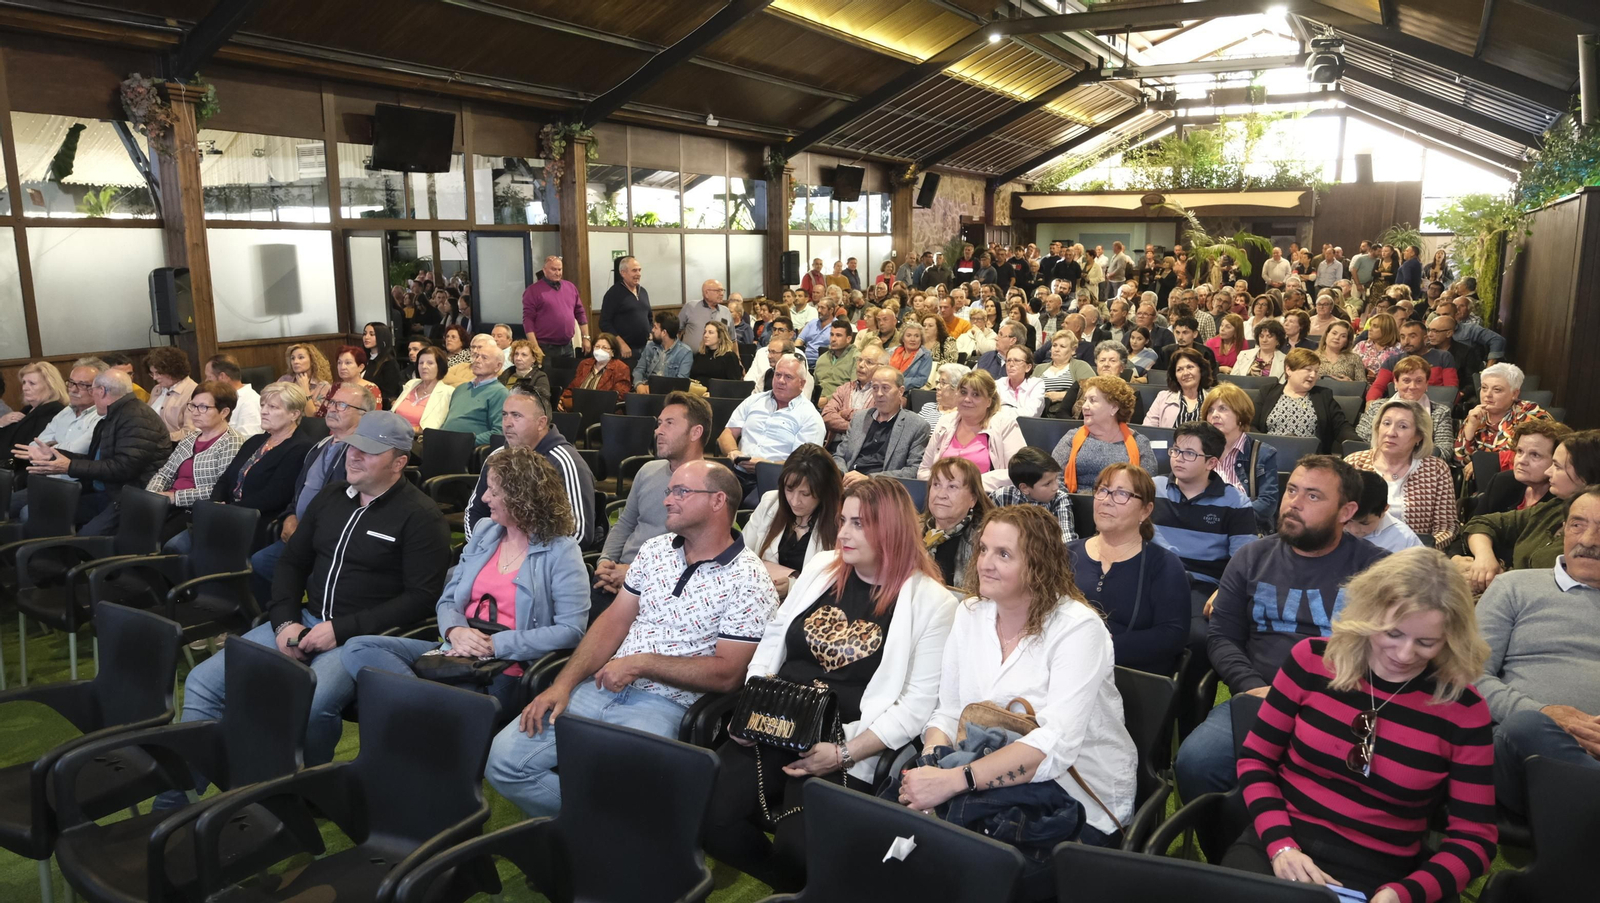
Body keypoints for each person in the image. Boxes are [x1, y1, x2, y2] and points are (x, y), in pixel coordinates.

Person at [487, 461, 778, 817]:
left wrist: (641, 664)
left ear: (718, 501)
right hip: (600, 686)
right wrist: (562, 684)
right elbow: (614, 620)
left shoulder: (749, 579)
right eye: (669, 491)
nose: (668, 500)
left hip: (669, 707)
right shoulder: (656, 551)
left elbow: (728, 673)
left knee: (619, 791)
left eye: (681, 492)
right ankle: (593, 834)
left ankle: (597, 838)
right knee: (503, 761)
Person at [706, 476, 955, 889]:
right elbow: (774, 639)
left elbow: (915, 706)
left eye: (858, 523)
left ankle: (797, 884)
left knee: (799, 852)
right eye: (842, 520)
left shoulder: (931, 601)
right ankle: (788, 886)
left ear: (890, 528)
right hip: (775, 723)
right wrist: (751, 709)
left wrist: (843, 753)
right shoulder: (823, 566)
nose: (842, 533)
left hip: (844, 741)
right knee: (707, 813)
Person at [171, 411, 449, 774]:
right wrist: (284, 619)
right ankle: (185, 792)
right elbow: (292, 563)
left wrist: (340, 630)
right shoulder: (333, 496)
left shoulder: (421, 516)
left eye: (369, 452)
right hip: (303, 619)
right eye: (353, 447)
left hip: (360, 638)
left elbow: (420, 598)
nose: (354, 456)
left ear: (399, 462)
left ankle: (306, 785)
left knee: (313, 704)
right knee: (202, 683)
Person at [1227, 548, 1495, 903]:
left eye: (1426, 643)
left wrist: (1404, 893)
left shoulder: (1463, 709)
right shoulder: (1311, 661)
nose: (1404, 654)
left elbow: (1474, 837)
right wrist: (1281, 846)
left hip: (1386, 871)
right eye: (1393, 633)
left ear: (1451, 638)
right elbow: (1256, 761)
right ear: (1368, 615)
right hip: (1280, 842)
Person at [897, 504, 1137, 850]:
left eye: (1003, 554)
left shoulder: (1078, 629)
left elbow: (1055, 745)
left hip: (1073, 796)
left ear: (1038, 565)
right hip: (979, 775)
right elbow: (949, 712)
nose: (985, 563)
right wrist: (934, 762)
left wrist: (954, 780)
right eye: (983, 549)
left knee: (961, 864)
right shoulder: (971, 613)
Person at [1174, 456, 1388, 803]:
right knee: (1197, 763)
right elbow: (1223, 636)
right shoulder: (1251, 557)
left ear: (1346, 511)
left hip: (1343, 703)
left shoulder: (1376, 569)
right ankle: (1228, 854)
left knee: (1345, 785)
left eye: (1313, 496)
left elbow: (1390, 652)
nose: (1294, 504)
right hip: (1260, 697)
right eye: (1292, 490)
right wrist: (1252, 686)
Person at [341, 448, 589, 712]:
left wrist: (494, 645)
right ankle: (419, 706)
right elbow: (448, 599)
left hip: (507, 665)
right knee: (358, 646)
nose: (484, 497)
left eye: (494, 491)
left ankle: (414, 707)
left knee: (449, 701)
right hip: (456, 648)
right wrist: (455, 631)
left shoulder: (561, 550)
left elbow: (571, 630)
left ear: (522, 498)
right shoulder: (485, 532)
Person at [1477, 485, 1600, 818]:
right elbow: (1468, 676)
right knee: (1526, 727)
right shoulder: (1515, 586)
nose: (1588, 540)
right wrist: (1544, 713)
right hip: (1525, 750)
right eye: (1577, 524)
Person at [246, 383, 369, 606]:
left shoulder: (359, 456)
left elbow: (347, 505)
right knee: (260, 562)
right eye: (331, 402)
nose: (332, 409)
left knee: (284, 568)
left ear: (363, 414)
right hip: (301, 531)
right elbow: (298, 491)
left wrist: (309, 532)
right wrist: (290, 516)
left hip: (329, 539)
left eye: (342, 405)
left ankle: (299, 616)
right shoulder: (320, 445)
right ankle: (276, 616)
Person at [592, 393, 709, 621]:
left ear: (696, 432)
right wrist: (606, 561)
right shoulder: (648, 470)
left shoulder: (710, 485)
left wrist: (634, 574)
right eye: (659, 423)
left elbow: (698, 554)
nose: (658, 431)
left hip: (663, 586)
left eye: (669, 423)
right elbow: (625, 524)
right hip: (617, 573)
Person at [1068, 463, 1190, 676]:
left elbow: (1172, 635)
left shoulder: (1164, 565)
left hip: (1131, 679)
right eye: (1102, 490)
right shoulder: (1066, 554)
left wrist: (1100, 647)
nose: (1106, 500)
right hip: (1064, 668)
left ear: (1146, 510)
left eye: (1121, 494)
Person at [23, 369, 170, 535]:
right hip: (105, 492)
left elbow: (122, 468)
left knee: (86, 537)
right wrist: (53, 455)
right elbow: (93, 459)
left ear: (102, 391)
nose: (92, 396)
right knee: (44, 513)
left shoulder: (137, 417)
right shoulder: (113, 415)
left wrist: (69, 466)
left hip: (129, 497)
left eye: (92, 390)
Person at [1151, 422, 1258, 650]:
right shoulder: (1152, 489)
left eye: (1189, 453)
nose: (1178, 458)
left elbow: (1245, 562)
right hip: (1152, 576)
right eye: (1176, 450)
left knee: (1198, 638)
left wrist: (1225, 592)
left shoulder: (1235, 502)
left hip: (1202, 584)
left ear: (1212, 462)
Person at [178, 382, 315, 553]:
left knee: (188, 549)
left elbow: (274, 496)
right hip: (225, 513)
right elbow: (226, 478)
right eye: (263, 405)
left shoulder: (300, 447)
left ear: (294, 414)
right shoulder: (256, 441)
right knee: (177, 547)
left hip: (255, 519)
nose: (264, 411)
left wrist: (227, 510)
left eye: (272, 407)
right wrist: (215, 504)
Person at [1456, 430, 1600, 592]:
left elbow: (1552, 589)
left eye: (1557, 467)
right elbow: (1481, 522)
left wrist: (1487, 576)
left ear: (1587, 476)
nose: (1548, 472)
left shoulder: (1590, 538)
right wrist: (1484, 559)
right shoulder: (1554, 507)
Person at [464, 387, 594, 547]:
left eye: (516, 416)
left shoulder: (565, 462)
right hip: (493, 552)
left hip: (541, 562)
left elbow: (579, 533)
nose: (507, 423)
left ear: (541, 423)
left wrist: (519, 555)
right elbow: (474, 512)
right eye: (504, 415)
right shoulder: (496, 457)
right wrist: (481, 549)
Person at [1344, 399, 1457, 548]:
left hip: (1413, 557)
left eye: (1402, 426)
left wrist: (1419, 550)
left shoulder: (1436, 470)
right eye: (1386, 423)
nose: (1391, 433)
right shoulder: (1354, 463)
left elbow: (1447, 527)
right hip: (1354, 550)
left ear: (1419, 436)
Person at [145, 380, 244, 541]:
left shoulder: (232, 442)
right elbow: (165, 473)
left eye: (203, 407)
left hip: (196, 510)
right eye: (193, 405)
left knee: (156, 538)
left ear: (224, 412)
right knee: (131, 527)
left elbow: (220, 490)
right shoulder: (190, 438)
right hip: (167, 503)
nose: (195, 412)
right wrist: (152, 496)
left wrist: (174, 497)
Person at [719, 356, 827, 502]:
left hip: (776, 479)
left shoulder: (810, 417)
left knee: (748, 503)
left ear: (802, 384)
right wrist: (733, 452)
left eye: (788, 377)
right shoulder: (754, 401)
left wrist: (764, 466)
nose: (781, 381)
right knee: (706, 495)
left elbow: (803, 464)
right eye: (778, 375)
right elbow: (727, 433)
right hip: (736, 471)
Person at [744, 444, 841, 596]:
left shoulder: (840, 520)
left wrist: (793, 587)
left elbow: (839, 582)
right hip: (760, 597)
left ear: (825, 492)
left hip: (807, 607)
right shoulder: (770, 502)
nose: (795, 501)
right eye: (789, 489)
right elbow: (743, 554)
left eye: (806, 494)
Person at [917, 369, 1025, 493]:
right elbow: (924, 471)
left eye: (976, 395)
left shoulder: (1004, 425)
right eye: (963, 392)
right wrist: (945, 485)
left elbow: (1018, 471)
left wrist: (968, 484)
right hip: (943, 498)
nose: (967, 399)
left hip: (985, 499)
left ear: (989, 401)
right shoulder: (944, 423)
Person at [9, 358, 104, 492]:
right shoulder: (66, 412)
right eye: (71, 383)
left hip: (77, 484)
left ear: (99, 389)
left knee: (25, 511)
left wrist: (50, 448)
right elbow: (34, 446)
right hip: (48, 479)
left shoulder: (101, 415)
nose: (73, 390)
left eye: (82, 385)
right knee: (8, 504)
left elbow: (76, 449)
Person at [1202, 384, 1280, 533]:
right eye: (1210, 410)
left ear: (1241, 415)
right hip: (1204, 528)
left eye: (1223, 409)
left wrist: (1225, 519)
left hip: (1245, 529)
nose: (1215, 415)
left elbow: (1267, 504)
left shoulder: (1263, 453)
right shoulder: (1200, 451)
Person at [1052, 376, 1153, 492]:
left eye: (1092, 400)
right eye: (1085, 400)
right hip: (1073, 504)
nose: (1084, 406)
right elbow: (1054, 478)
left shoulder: (1139, 443)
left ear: (1114, 407)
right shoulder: (1072, 437)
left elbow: (1145, 488)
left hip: (1121, 504)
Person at [1254, 349, 1355, 455]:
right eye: (1308, 369)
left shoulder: (1323, 395)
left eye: (1316, 371)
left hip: (1310, 460)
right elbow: (1251, 424)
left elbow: (1342, 427)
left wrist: (1357, 443)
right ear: (1289, 370)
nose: (1313, 375)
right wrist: (1262, 446)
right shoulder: (1267, 392)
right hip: (1270, 455)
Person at [1453, 362, 1551, 471]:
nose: (1487, 394)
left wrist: (1486, 463)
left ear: (1514, 394)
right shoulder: (1477, 414)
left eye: (1497, 390)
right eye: (1484, 388)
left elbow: (1533, 457)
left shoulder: (1529, 413)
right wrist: (1471, 427)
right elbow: (1459, 460)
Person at [1353, 355, 1453, 459]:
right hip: (1376, 463)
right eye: (1406, 380)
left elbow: (1445, 451)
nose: (1412, 386)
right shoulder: (1377, 407)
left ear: (1427, 384)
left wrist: (1406, 457)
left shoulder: (1440, 412)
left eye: (1419, 381)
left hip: (1421, 468)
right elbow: (1360, 442)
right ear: (1396, 382)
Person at [1471, 419, 1571, 518]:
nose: (1521, 460)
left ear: (1556, 461)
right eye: (1519, 451)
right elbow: (1472, 527)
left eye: (1535, 455)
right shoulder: (1502, 482)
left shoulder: (1561, 501)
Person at [923, 456, 993, 587]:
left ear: (973, 498)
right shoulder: (912, 531)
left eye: (952, 487)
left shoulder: (984, 541)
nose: (941, 494)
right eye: (936, 484)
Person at [988, 446, 1076, 541]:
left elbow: (1067, 540)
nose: (1056, 487)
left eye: (1056, 479)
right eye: (1048, 483)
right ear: (1024, 488)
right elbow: (986, 533)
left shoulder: (1059, 499)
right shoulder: (1001, 497)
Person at [522, 255, 589, 365]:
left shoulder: (570, 287)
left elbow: (580, 313)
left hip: (567, 345)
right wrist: (534, 347)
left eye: (559, 269)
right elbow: (528, 320)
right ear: (544, 270)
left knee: (569, 379)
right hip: (545, 347)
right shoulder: (533, 291)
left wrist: (586, 337)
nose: (557, 273)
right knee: (548, 380)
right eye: (553, 269)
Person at [440, 342, 509, 446]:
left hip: (468, 450)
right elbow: (447, 422)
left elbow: (499, 432)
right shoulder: (460, 389)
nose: (477, 360)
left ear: (497, 366)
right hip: (444, 445)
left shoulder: (500, 393)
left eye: (484, 358)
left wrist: (467, 441)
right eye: (476, 356)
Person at [1344, 470, 1424, 553]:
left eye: (1365, 523)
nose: (1354, 530)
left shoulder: (1404, 539)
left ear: (1385, 509)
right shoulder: (1332, 529)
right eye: (1348, 520)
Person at [0, 361, 66, 459]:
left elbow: (28, 448)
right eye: (24, 382)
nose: (25, 388)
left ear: (50, 387)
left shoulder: (53, 412)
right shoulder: (27, 410)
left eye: (32, 383)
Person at [821, 345, 886, 440]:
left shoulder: (883, 393)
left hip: (866, 448)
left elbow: (873, 422)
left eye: (869, 362)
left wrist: (844, 413)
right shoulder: (844, 388)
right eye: (859, 360)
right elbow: (827, 416)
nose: (861, 365)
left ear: (881, 367)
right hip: (835, 446)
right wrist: (854, 427)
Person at [1142, 348, 1213, 428]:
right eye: (1180, 370)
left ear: (1201, 370)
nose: (1185, 373)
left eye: (1190, 367)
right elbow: (1148, 430)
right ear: (1175, 376)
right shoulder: (1162, 398)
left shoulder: (1213, 400)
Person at [558, 333, 632, 411]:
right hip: (577, 408)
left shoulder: (621, 368)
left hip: (603, 411)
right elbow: (571, 388)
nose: (600, 350)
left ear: (613, 352)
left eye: (604, 348)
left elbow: (619, 396)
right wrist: (561, 400)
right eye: (597, 347)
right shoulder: (585, 364)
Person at [600, 255, 650, 367]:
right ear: (623, 273)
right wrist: (621, 344)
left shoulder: (643, 292)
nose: (638, 274)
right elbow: (604, 323)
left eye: (639, 270)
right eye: (634, 270)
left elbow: (649, 317)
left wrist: (650, 334)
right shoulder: (613, 294)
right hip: (625, 352)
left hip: (644, 350)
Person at [393, 345, 454, 432]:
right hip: (393, 433)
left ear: (440, 366)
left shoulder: (447, 392)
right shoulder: (411, 384)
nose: (424, 366)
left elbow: (434, 427)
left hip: (418, 440)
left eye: (430, 363)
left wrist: (404, 430)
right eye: (421, 363)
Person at [201, 355, 261, 438]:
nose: (206, 381)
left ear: (222, 377)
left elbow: (248, 439)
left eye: (209, 377)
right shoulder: (217, 397)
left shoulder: (250, 402)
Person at [146, 345, 197, 441]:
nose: (154, 378)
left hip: (177, 448)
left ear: (173, 370)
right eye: (152, 373)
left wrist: (159, 439)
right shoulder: (157, 389)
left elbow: (190, 432)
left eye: (158, 373)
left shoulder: (194, 392)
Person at [632, 311, 694, 388]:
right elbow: (639, 370)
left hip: (668, 394)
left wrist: (655, 388)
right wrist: (639, 385)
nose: (652, 330)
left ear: (664, 332)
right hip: (646, 388)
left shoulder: (685, 352)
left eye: (655, 327)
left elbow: (680, 383)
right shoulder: (649, 346)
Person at [280, 343, 333, 417]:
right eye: (293, 358)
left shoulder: (323, 386)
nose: (295, 362)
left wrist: (305, 388)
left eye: (301, 357)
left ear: (312, 361)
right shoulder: (284, 380)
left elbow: (312, 416)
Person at [813, 319, 859, 400]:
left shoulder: (856, 358)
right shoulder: (822, 358)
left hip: (841, 404)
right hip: (816, 403)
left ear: (848, 339)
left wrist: (827, 400)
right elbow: (813, 386)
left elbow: (855, 390)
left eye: (838, 335)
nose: (833, 339)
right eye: (831, 334)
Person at [360, 321, 403, 406]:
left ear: (382, 337)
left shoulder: (389, 363)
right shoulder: (364, 358)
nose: (366, 337)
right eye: (365, 334)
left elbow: (390, 393)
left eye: (372, 334)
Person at [996, 345, 1044, 417]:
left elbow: (1031, 413)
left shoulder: (1036, 384)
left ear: (1028, 367)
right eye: (1008, 360)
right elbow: (990, 412)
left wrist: (1002, 411)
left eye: (1016, 360)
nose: (1011, 364)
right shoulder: (997, 384)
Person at [500, 339, 551, 407]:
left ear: (533, 359)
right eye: (516, 354)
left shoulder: (539, 377)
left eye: (524, 355)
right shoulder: (507, 373)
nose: (518, 358)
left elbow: (542, 401)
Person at [334, 344, 385, 410]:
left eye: (348, 363)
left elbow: (374, 417)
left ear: (361, 367)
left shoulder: (370, 389)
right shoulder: (336, 387)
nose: (342, 367)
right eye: (339, 363)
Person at [889, 322, 934, 390]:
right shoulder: (891, 351)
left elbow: (921, 380)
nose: (912, 339)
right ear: (903, 338)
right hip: (886, 388)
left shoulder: (925, 356)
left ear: (921, 339)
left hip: (907, 393)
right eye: (908, 335)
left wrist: (896, 383)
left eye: (916, 336)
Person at [1355, 313, 1402, 378]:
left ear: (1386, 329)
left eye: (1375, 326)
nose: (1370, 329)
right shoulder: (1361, 345)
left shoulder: (1398, 349)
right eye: (1370, 325)